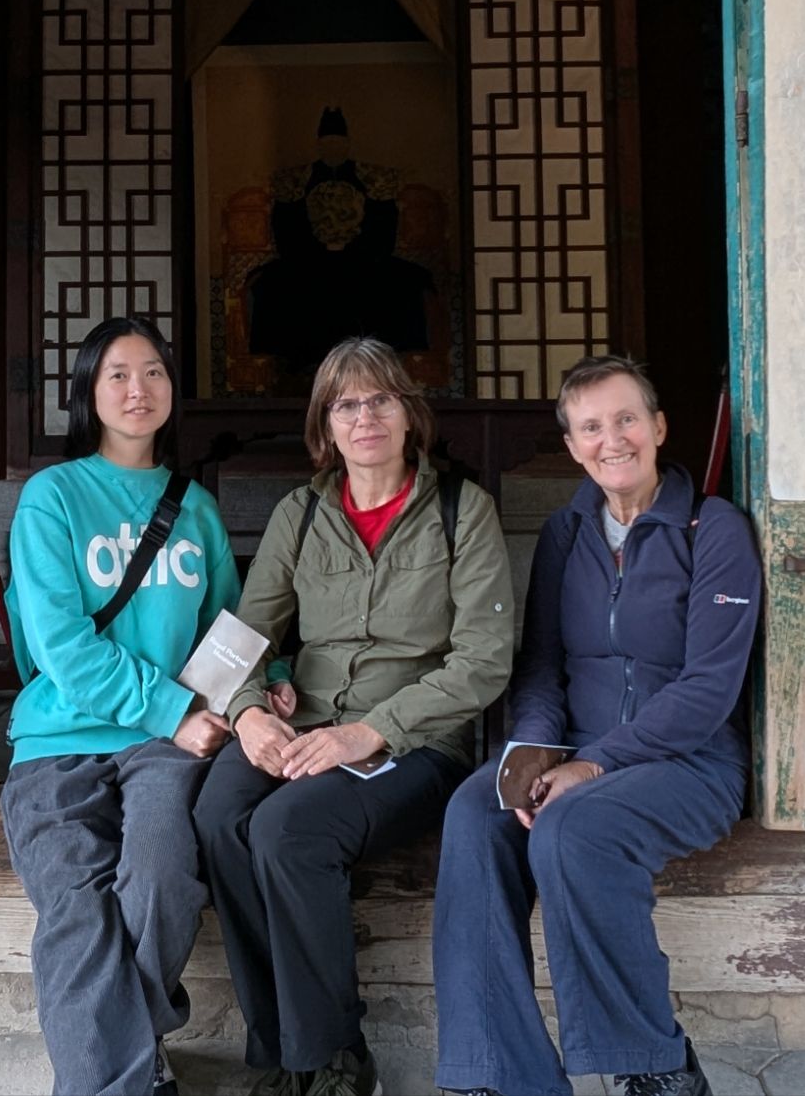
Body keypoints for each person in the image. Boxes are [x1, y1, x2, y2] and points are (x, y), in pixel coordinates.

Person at [431, 355, 762, 1096]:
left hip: (689, 763)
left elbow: (708, 689)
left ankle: (656, 1068)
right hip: (575, 754)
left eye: (626, 420)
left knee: (573, 828)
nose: (612, 440)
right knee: (474, 813)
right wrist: (533, 756)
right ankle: (497, 1072)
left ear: (658, 427)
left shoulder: (713, 530)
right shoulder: (565, 532)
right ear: (572, 446)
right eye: (591, 427)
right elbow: (542, 667)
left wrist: (592, 765)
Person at [194, 336, 516, 1096]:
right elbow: (243, 637)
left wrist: (369, 732)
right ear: (325, 426)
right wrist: (248, 711)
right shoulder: (301, 514)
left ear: (409, 414)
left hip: (414, 744)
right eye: (346, 404)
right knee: (217, 815)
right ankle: (279, 1047)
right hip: (302, 724)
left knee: (288, 831)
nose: (364, 417)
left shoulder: (460, 511)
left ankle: (333, 1054)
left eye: (380, 399)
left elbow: (483, 660)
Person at [1, 317, 242, 1096]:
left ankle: (115, 1056)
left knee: (164, 876)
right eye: (118, 374)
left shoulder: (195, 508)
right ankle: (129, 1075)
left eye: (154, 373)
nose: (139, 390)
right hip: (59, 738)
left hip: (163, 743)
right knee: (75, 902)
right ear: (88, 392)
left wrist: (260, 685)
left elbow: (224, 630)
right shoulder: (53, 498)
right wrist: (172, 710)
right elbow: (62, 650)